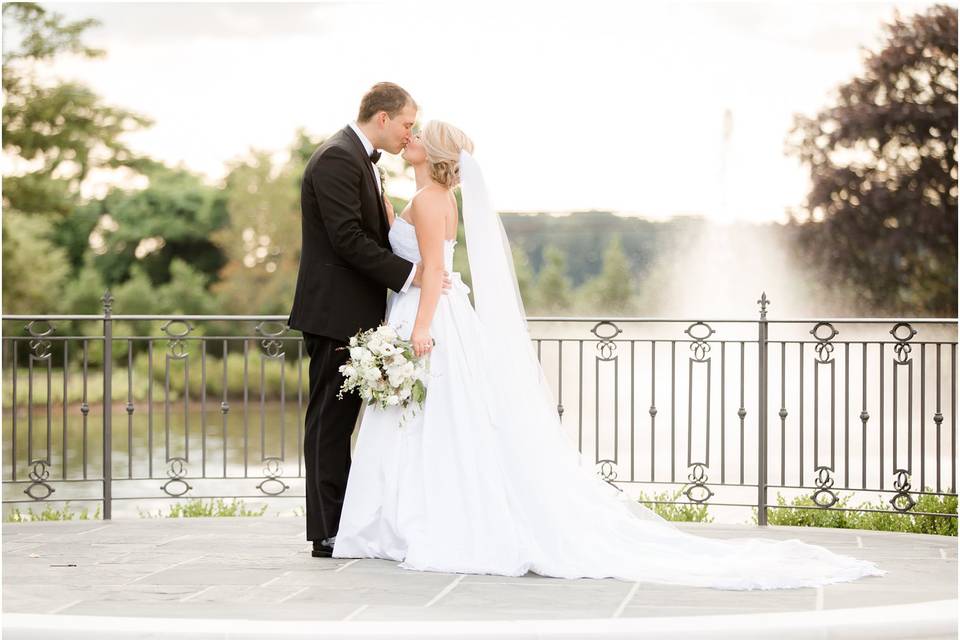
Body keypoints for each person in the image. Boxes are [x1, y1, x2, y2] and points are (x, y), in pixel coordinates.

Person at [331, 119, 888, 589]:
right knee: (436, 423)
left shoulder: (429, 201)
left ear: (433, 153)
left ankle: (414, 523)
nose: (411, 137)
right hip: (435, 315)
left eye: (418, 134)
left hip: (430, 319)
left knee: (429, 423)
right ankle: (408, 520)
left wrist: (422, 328)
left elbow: (432, 273)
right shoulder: (436, 198)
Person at [287, 82, 451, 559]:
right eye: (406, 124)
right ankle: (327, 531)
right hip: (335, 313)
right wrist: (412, 275)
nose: (409, 134)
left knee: (343, 422)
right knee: (329, 423)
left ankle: (343, 523)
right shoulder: (338, 158)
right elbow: (347, 239)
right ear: (382, 118)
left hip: (356, 314)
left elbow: (368, 234)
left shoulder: (359, 160)